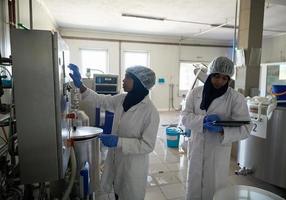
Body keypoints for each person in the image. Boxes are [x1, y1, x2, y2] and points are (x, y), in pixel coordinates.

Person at [68, 64, 160, 200]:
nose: (123, 80)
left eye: (128, 77)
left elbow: (148, 145)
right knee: (117, 191)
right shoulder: (122, 99)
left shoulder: (150, 112)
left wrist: (118, 141)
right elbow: (101, 100)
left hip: (133, 166)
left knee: (130, 194)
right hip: (116, 160)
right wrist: (81, 85)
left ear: (139, 82)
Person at [181, 56, 253, 200]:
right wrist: (202, 121)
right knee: (194, 186)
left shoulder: (235, 98)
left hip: (217, 151)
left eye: (224, 78)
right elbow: (184, 116)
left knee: (214, 188)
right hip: (196, 148)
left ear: (228, 79)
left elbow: (246, 128)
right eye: (216, 76)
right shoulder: (195, 93)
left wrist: (222, 130)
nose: (220, 81)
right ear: (210, 74)